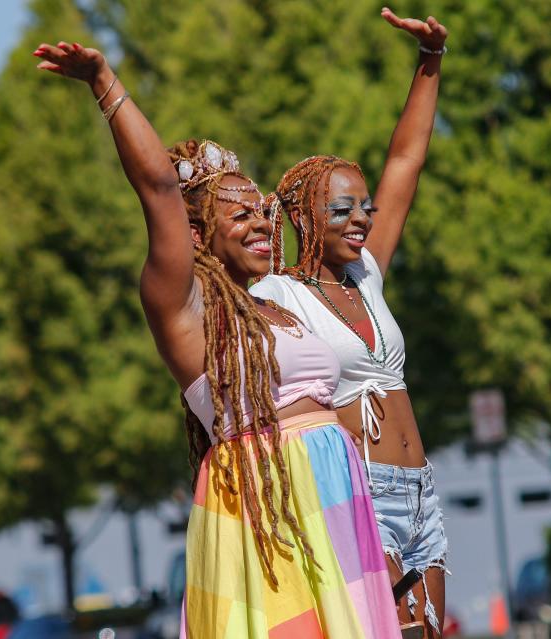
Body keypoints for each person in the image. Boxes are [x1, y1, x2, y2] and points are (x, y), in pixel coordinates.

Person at [33, 41, 400, 639]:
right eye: (241, 216)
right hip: (267, 510)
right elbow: (156, 186)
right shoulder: (185, 309)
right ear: (198, 234)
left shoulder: (277, 305)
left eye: (263, 212)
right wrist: (103, 81)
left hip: (338, 504)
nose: (261, 224)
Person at [250, 8, 448, 636]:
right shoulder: (277, 293)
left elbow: (406, 161)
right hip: (358, 493)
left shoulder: (368, 274)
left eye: (365, 206)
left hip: (420, 492)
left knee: (433, 631)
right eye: (343, 208)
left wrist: (430, 62)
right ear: (306, 216)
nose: (362, 217)